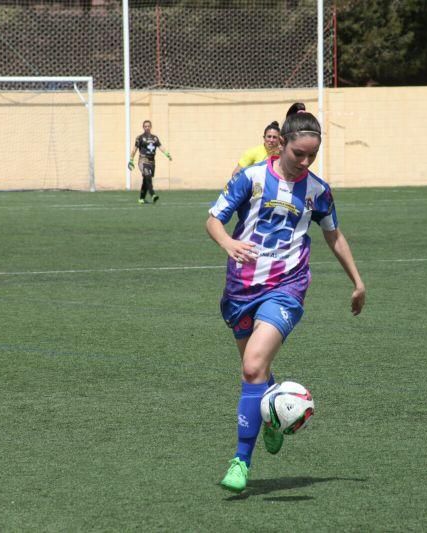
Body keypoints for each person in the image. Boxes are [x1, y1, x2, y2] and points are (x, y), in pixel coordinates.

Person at [206, 112, 366, 493]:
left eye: (313, 155)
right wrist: (228, 242)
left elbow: (334, 236)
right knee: (257, 374)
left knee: (252, 366)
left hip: (287, 288)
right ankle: (273, 413)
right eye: (299, 154)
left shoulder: (317, 191)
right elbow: (213, 219)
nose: (306, 162)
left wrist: (358, 281)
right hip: (240, 290)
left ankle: (240, 462)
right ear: (282, 144)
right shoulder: (252, 178)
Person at [128, 120, 171, 205]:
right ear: (143, 127)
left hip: (152, 162)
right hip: (143, 161)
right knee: (148, 176)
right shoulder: (140, 138)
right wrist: (131, 160)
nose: (147, 127)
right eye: (145, 126)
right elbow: (134, 149)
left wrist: (167, 154)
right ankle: (153, 194)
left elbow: (160, 146)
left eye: (148, 126)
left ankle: (141, 198)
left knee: (145, 180)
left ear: (151, 127)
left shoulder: (155, 138)